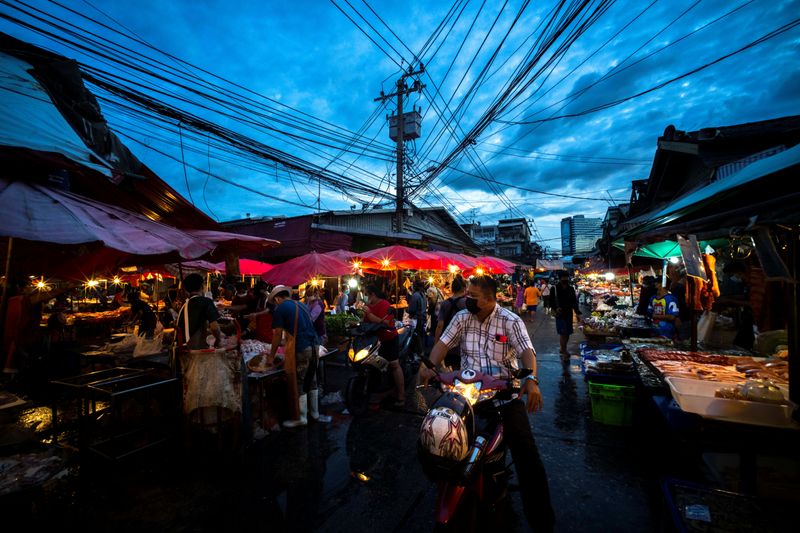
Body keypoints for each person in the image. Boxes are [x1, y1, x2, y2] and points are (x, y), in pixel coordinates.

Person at [419, 275, 555, 532]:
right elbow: (443, 344)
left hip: (503, 395)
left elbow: (527, 352)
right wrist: (429, 365)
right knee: (438, 435)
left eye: (473, 297)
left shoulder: (510, 321)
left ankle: (542, 520)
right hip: (468, 393)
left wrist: (532, 378)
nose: (467, 299)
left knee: (528, 458)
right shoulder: (462, 318)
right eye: (467, 295)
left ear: (490, 299)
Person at [266, 285, 330, 426]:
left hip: (302, 348)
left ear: (277, 298)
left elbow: (277, 333)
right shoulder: (301, 305)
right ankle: (315, 413)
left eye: (275, 301)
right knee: (312, 378)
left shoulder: (281, 308)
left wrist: (271, 355)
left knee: (300, 381)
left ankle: (301, 418)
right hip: (315, 346)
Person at [363, 284, 404, 407]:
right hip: (375, 341)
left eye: (366, 294)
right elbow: (364, 322)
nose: (365, 297)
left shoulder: (385, 304)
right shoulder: (367, 306)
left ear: (372, 295)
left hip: (389, 338)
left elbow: (386, 322)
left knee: (394, 365)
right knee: (373, 365)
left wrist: (369, 314)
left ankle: (402, 395)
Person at [176, 273, 221, 350]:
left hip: (181, 348)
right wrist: (218, 340)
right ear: (202, 286)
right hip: (193, 350)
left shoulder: (184, 305)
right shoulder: (206, 302)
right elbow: (215, 327)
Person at [434, 274, 466, 369]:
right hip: (463, 343)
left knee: (452, 369)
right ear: (464, 289)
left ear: (452, 289)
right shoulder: (467, 303)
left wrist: (436, 343)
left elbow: (440, 325)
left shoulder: (444, 304)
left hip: (449, 343)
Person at [548, 273, 582, 361]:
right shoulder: (554, 288)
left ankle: (563, 348)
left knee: (567, 333)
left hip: (569, 314)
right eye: (563, 277)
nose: (565, 279)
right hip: (560, 315)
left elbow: (574, 302)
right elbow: (550, 301)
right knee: (563, 333)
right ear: (560, 278)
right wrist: (555, 308)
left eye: (566, 277)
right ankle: (564, 351)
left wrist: (577, 313)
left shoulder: (571, 289)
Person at [407, 280, 427, 355]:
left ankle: (419, 352)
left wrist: (407, 309)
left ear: (416, 286)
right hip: (422, 318)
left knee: (417, 335)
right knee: (420, 335)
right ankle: (421, 351)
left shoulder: (415, 295)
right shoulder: (423, 294)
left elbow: (411, 310)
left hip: (417, 319)